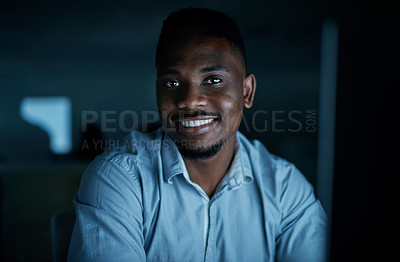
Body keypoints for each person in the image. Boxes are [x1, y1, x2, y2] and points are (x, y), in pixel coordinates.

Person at [68, 7, 327, 262]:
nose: (190, 101)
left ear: (247, 92)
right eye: (172, 83)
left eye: (213, 80)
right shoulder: (120, 179)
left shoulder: (285, 189)